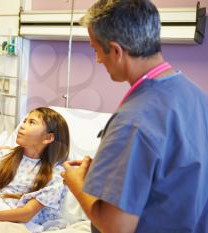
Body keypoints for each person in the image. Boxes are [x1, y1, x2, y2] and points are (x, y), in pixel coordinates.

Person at [61, 0, 208, 233]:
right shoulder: (197, 97)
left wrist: (76, 182)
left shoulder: (133, 121)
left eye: (95, 49)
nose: (98, 59)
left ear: (117, 51)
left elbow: (116, 227)